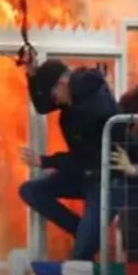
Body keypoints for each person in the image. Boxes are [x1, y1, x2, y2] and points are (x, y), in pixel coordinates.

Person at [18, 59, 119, 261]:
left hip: (107, 181)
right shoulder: (75, 95)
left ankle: (86, 240)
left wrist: (46, 162)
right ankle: (82, 231)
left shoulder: (92, 107)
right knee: (31, 191)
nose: (53, 103)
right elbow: (43, 105)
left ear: (62, 84)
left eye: (54, 96)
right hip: (85, 174)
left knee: (80, 255)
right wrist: (32, 75)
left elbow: (84, 157)